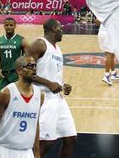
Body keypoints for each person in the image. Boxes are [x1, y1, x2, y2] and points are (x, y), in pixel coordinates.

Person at [26, 19, 77, 158]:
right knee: (46, 142)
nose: (63, 31)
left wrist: (63, 84)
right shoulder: (40, 44)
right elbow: (24, 70)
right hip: (44, 99)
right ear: (54, 28)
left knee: (70, 138)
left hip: (58, 99)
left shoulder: (57, 49)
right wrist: (49, 83)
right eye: (61, 28)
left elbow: (52, 73)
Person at [0, 56, 44, 158]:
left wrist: (37, 153)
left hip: (26, 152)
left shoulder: (40, 95)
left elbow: (35, 124)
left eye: (35, 66)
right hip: (3, 151)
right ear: (19, 70)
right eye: (30, 66)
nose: (34, 69)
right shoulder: (6, 93)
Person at [0, 18, 30, 92]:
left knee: (16, 95)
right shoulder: (0, 40)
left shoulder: (22, 40)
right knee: (0, 94)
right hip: (4, 74)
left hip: (16, 74)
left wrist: (26, 72)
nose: (9, 27)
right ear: (4, 26)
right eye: (7, 25)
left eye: (11, 25)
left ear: (15, 26)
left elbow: (29, 58)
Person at [95, 18, 119, 86]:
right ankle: (106, 75)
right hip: (107, 33)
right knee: (109, 53)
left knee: (112, 53)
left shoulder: (103, 11)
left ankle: (113, 73)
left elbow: (96, 22)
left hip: (102, 32)